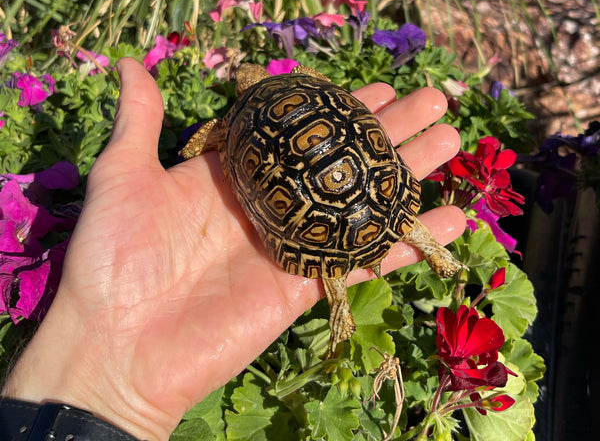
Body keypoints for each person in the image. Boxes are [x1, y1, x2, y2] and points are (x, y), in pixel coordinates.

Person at [1, 58, 466, 441]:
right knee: (396, 217)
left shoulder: (232, 125)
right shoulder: (307, 83)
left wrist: (196, 146)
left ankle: (342, 300)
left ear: (243, 89)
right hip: (368, 177)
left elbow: (199, 145)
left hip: (296, 205)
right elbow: (329, 89)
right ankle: (431, 250)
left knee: (330, 263)